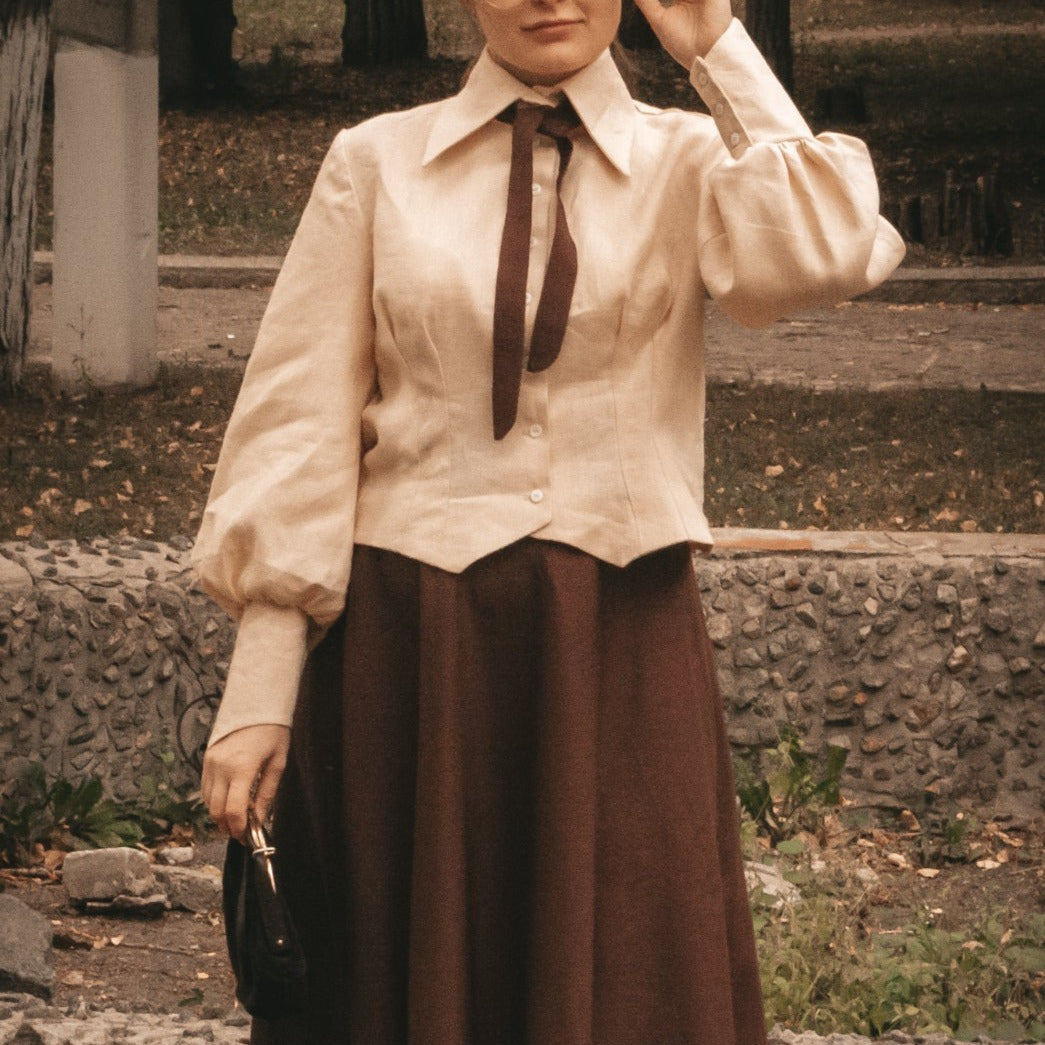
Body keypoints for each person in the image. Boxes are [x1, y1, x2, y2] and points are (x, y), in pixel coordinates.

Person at [196, 0, 905, 1040]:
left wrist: (715, 48)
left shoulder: (694, 161)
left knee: (629, 981)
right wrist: (261, 684)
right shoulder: (374, 163)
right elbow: (297, 425)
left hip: (617, 646)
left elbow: (827, 250)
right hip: (409, 655)